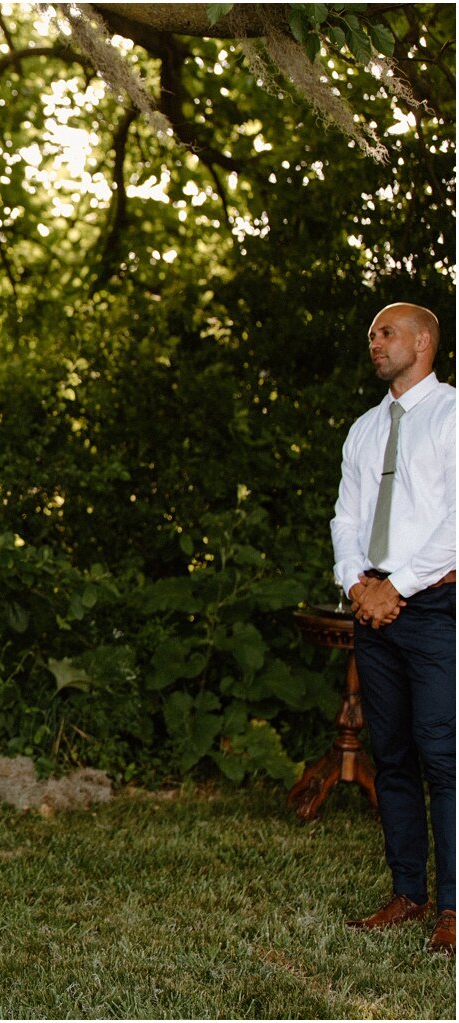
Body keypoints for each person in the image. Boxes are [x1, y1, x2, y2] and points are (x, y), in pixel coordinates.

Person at [331, 302, 455, 956]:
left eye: (386, 331)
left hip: (435, 607)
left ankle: (455, 908)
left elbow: (455, 524)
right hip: (372, 612)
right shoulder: (363, 428)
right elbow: (345, 518)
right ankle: (408, 892)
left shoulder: (454, 415)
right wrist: (358, 585)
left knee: (447, 757)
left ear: (425, 340)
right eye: (371, 333)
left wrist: (394, 588)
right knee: (396, 754)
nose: (375, 342)